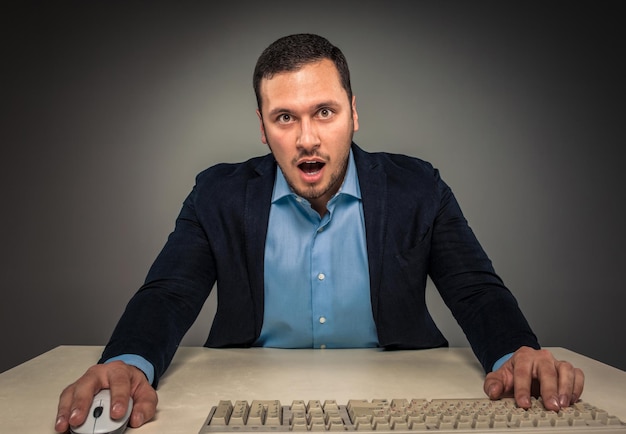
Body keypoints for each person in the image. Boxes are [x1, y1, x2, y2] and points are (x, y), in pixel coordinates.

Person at [55, 33, 584, 432]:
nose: (307, 138)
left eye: (324, 112)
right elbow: (169, 293)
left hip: (402, 403)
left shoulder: (417, 187)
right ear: (262, 128)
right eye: (285, 118)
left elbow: (475, 289)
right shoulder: (217, 194)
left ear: (353, 114)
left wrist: (517, 352)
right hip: (248, 406)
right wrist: (125, 364)